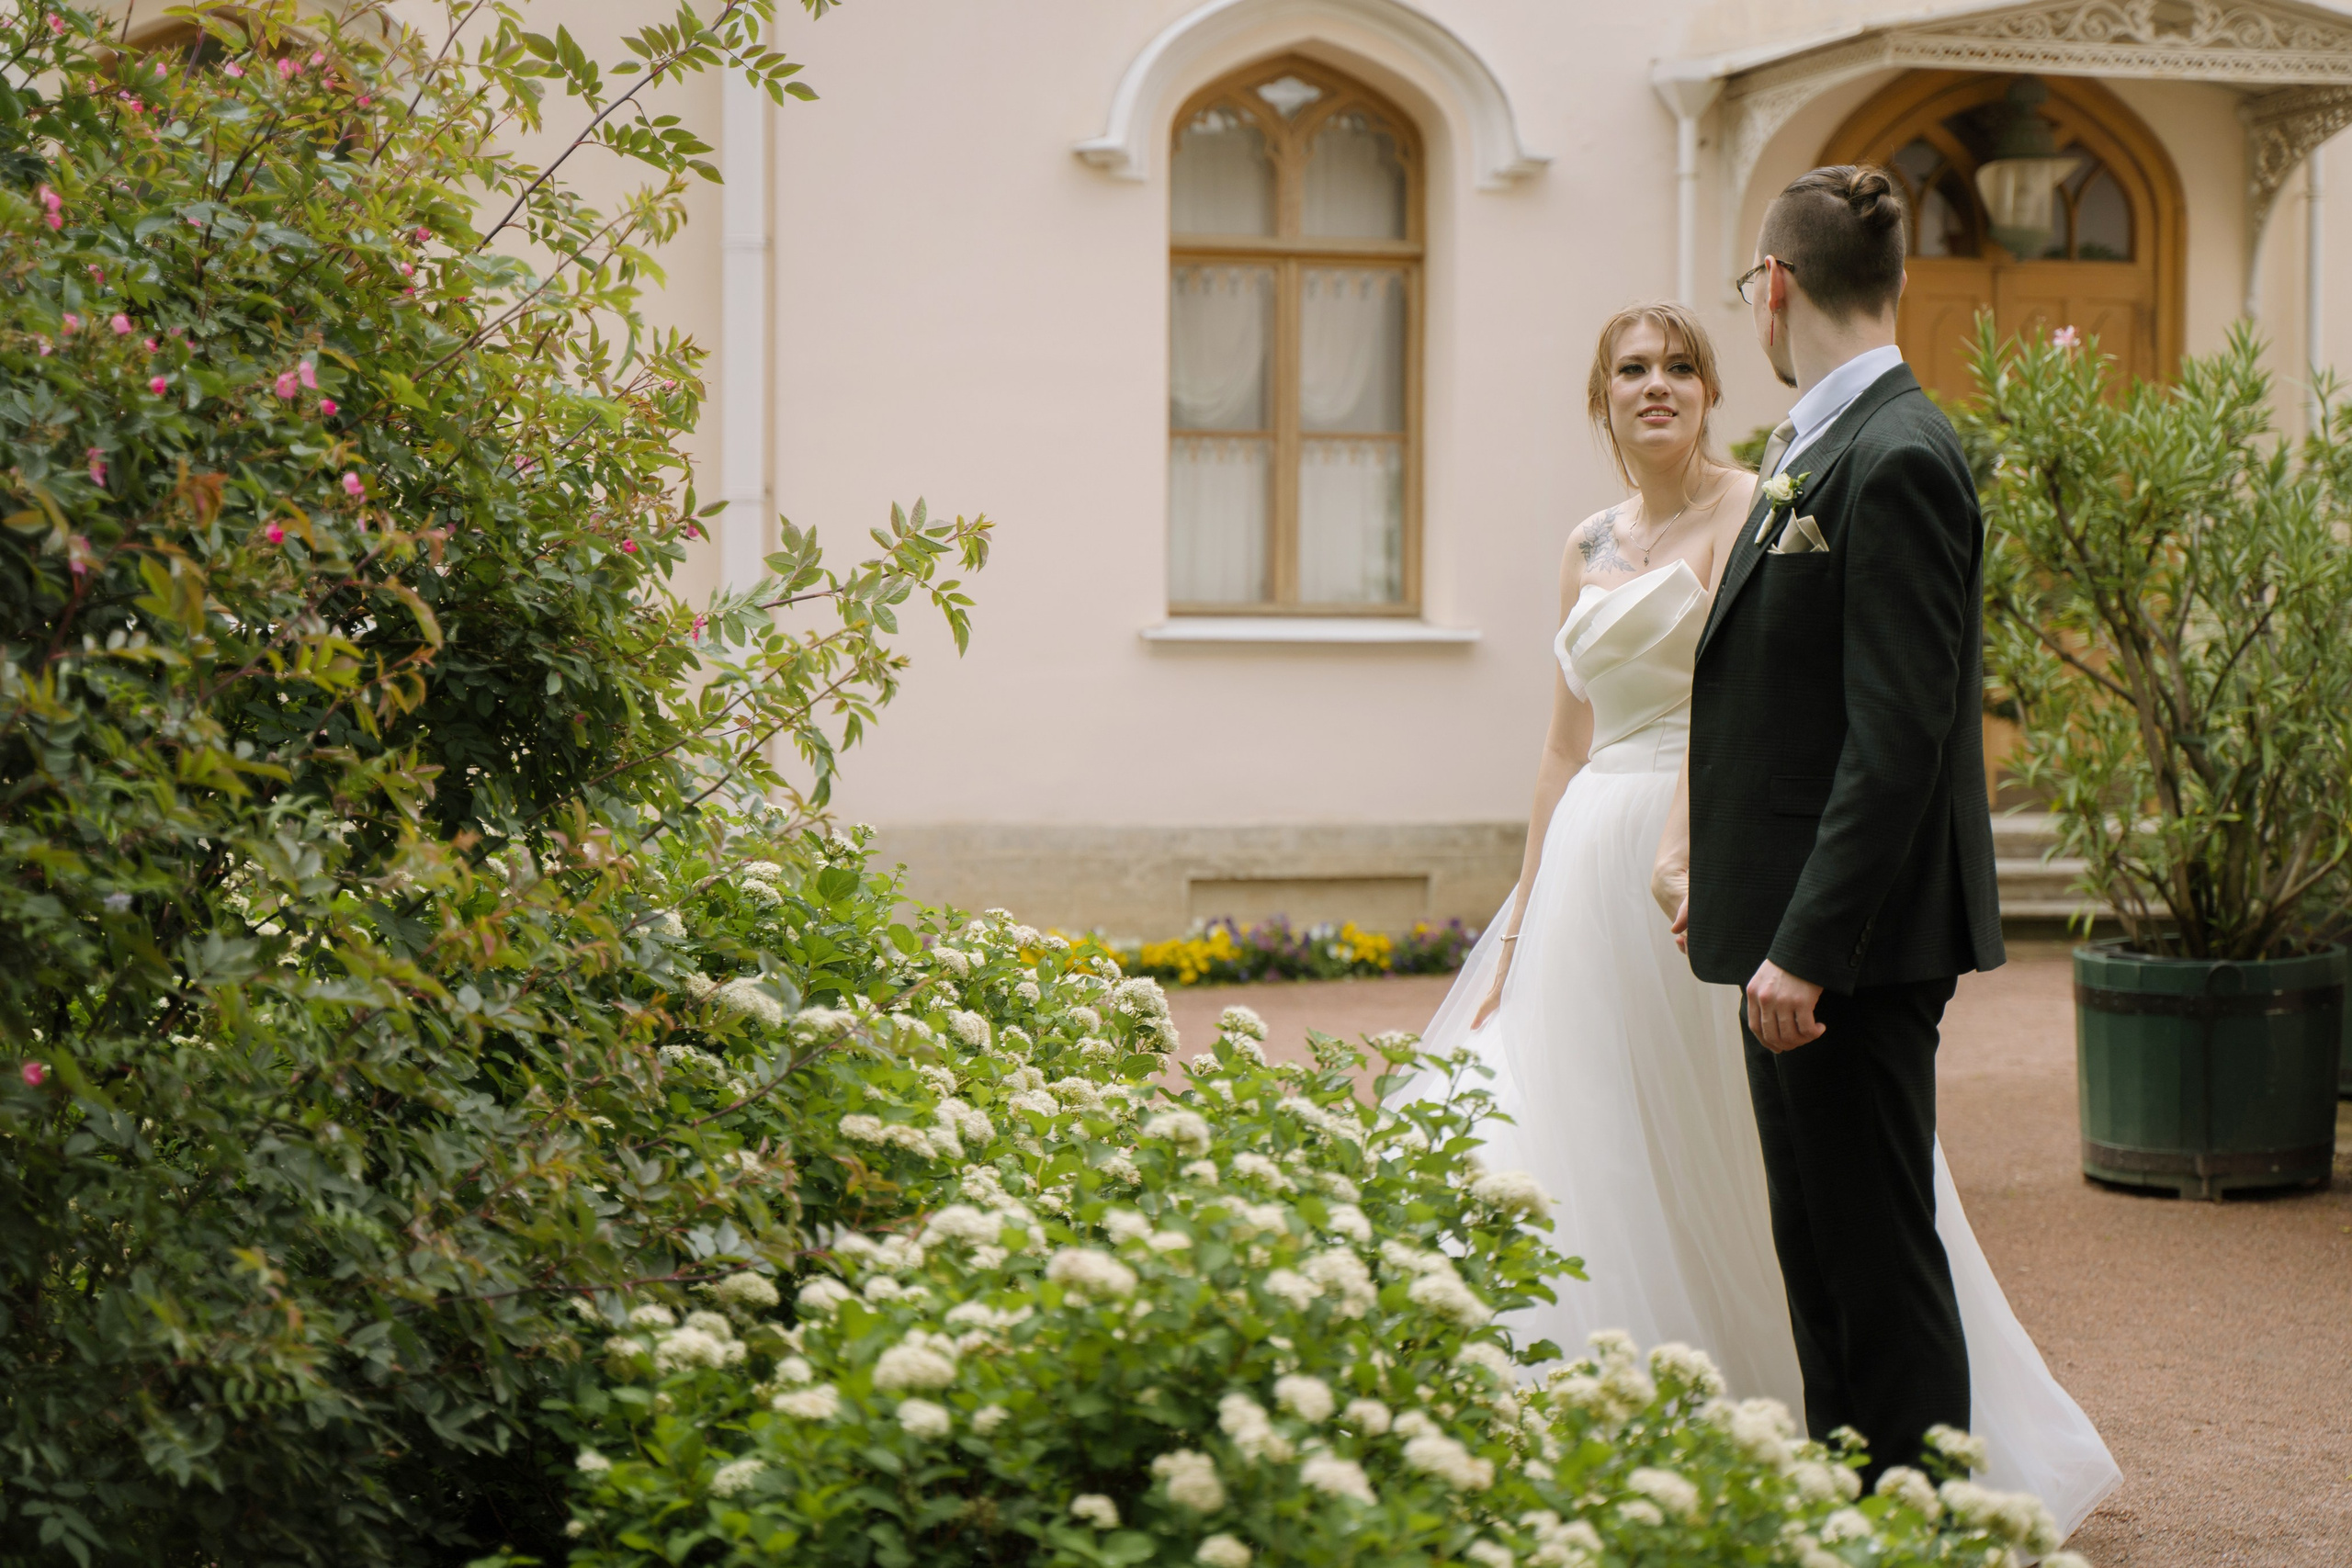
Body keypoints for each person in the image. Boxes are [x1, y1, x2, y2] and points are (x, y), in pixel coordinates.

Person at [1408, 207, 2120, 1533]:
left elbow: (1897, 730)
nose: (1662, 384)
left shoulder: (1888, 450)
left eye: (1689, 353)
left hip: (1832, 924)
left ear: (1774, 290)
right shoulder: (1814, 447)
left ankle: (1929, 1522)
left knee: (1875, 1245)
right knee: (1821, 1240)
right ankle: (1854, 1499)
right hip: (1736, 898)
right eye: (1633, 369)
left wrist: (1802, 934)